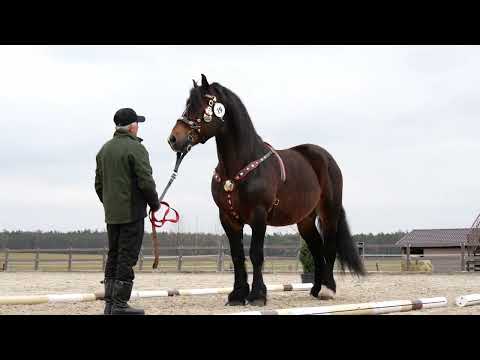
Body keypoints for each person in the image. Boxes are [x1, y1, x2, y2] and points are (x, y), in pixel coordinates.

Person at [95, 108, 160, 315]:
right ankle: (120, 305)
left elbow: (98, 185)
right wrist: (154, 203)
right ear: (132, 126)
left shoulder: (103, 150)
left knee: (113, 255)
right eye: (137, 123)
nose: (138, 126)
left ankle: (110, 304)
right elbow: (146, 182)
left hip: (112, 214)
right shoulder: (136, 149)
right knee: (126, 258)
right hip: (132, 213)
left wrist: (110, 204)